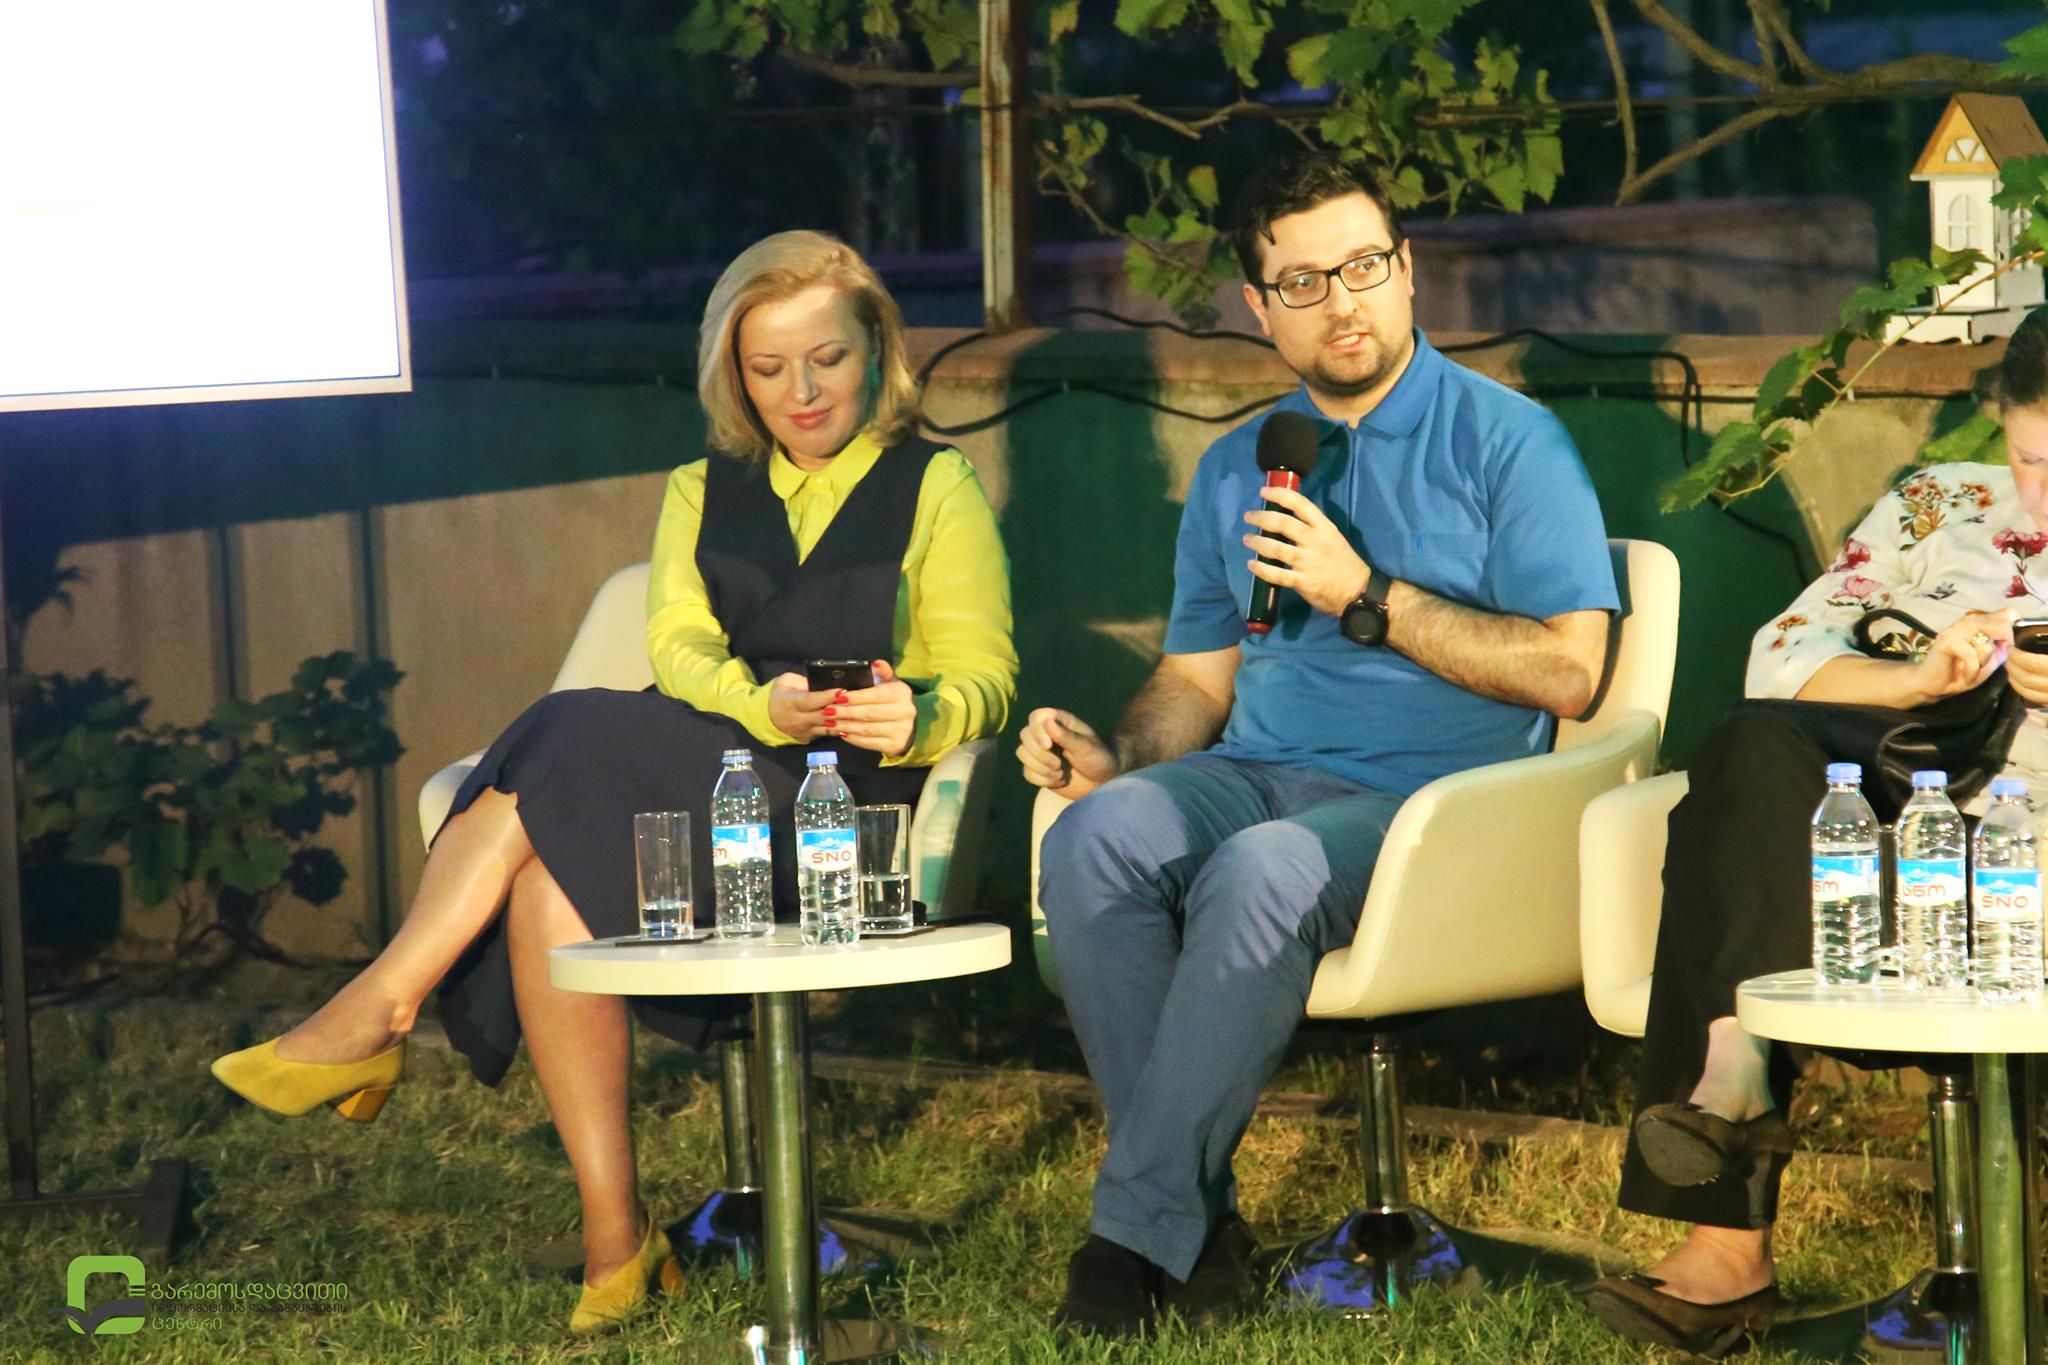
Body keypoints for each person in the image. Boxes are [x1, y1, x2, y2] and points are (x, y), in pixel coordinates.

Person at [210, 230, 1017, 1333]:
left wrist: (924, 713)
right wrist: (760, 707)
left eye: (826, 359)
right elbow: (677, 649)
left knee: (563, 725)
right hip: (716, 764)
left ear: (878, 349)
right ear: (733, 374)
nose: (800, 391)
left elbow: (985, 678)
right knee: (548, 886)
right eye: (767, 368)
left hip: (844, 808)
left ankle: (382, 1006)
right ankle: (616, 1241)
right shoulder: (698, 488)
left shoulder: (938, 483)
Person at [1016, 151, 1620, 1337]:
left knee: (1263, 867)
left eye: (1362, 267)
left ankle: (1131, 1237)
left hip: (1433, 805)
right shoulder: (1239, 463)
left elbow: (1570, 669)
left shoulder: (1510, 441)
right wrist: (1118, 758)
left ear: (1406, 270)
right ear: (1259, 306)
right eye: (1302, 282)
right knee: (1094, 837)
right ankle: (1189, 1225)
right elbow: (1196, 679)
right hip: (1249, 771)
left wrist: (1367, 594)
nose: (1341, 303)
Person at [1575, 305, 2048, 1358]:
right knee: (1751, 752)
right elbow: (1781, 658)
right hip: (1886, 837)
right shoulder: (1937, 504)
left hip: (2022, 869)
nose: (2045, 496)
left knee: (1750, 833)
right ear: (1999, 421)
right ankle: (1729, 1093)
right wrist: (1913, 677)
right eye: (2031, 459)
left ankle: (1729, 1232)